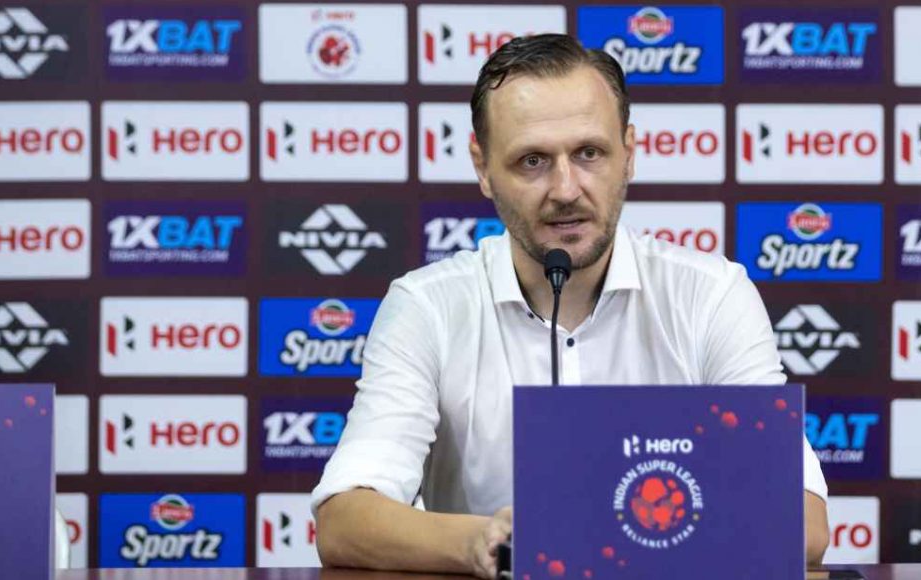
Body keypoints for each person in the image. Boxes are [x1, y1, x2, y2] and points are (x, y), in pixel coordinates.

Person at [312, 34, 829, 577]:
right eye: (532, 160)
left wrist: (612, 531)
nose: (565, 189)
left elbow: (805, 525)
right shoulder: (428, 306)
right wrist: (482, 542)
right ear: (483, 167)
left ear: (628, 154)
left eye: (589, 153)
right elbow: (345, 520)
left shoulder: (710, 295)